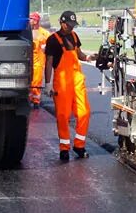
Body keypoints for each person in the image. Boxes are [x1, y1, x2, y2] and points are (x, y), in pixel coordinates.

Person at [44, 10, 90, 161]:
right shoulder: (53, 40)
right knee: (63, 116)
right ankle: (64, 148)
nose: (71, 27)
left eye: (73, 25)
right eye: (68, 25)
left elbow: (79, 54)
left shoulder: (74, 36)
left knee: (84, 113)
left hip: (77, 81)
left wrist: (90, 57)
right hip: (62, 83)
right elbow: (49, 62)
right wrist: (48, 83)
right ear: (61, 22)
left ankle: (79, 145)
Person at [28, 11, 50, 106]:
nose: (29, 20)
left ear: (36, 21)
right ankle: (28, 98)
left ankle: (36, 101)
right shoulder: (26, 32)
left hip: (38, 63)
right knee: (28, 82)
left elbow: (51, 45)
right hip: (28, 62)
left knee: (36, 82)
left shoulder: (45, 33)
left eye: (31, 19)